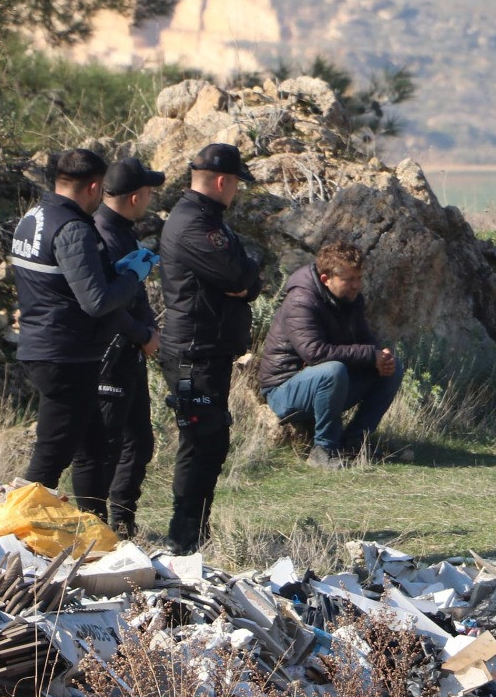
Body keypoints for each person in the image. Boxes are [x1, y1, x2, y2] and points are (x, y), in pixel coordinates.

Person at [10, 148, 149, 513]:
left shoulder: (33, 217)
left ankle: (92, 524)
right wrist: (132, 276)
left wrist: (114, 272)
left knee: (94, 446)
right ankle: (17, 528)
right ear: (93, 187)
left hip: (47, 345)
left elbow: (58, 282)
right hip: (65, 354)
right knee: (51, 458)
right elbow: (97, 301)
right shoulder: (72, 228)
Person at [158, 142, 262, 555]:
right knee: (202, 441)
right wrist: (245, 278)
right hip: (192, 353)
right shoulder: (193, 225)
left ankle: (195, 532)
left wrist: (246, 279)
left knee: (210, 441)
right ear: (222, 181)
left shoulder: (206, 219)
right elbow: (239, 275)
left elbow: (247, 280)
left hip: (207, 350)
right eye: (235, 183)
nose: (236, 191)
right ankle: (183, 537)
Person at [70, 157, 165, 539]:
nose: (151, 199)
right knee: (103, 446)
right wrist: (143, 334)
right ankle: (93, 528)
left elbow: (132, 295)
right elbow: (104, 306)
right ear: (135, 196)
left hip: (129, 352)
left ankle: (122, 522)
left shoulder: (122, 231)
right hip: (110, 354)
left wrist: (148, 329)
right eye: (149, 192)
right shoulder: (102, 235)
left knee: (138, 442)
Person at [257, 240, 406, 468]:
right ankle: (324, 450)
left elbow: (364, 338)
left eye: (359, 278)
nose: (357, 285)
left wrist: (380, 356)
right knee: (332, 371)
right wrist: (370, 355)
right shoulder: (301, 300)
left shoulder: (350, 298)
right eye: (349, 279)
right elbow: (314, 353)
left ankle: (354, 444)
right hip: (283, 391)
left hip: (325, 384)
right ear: (326, 279)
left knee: (392, 368)